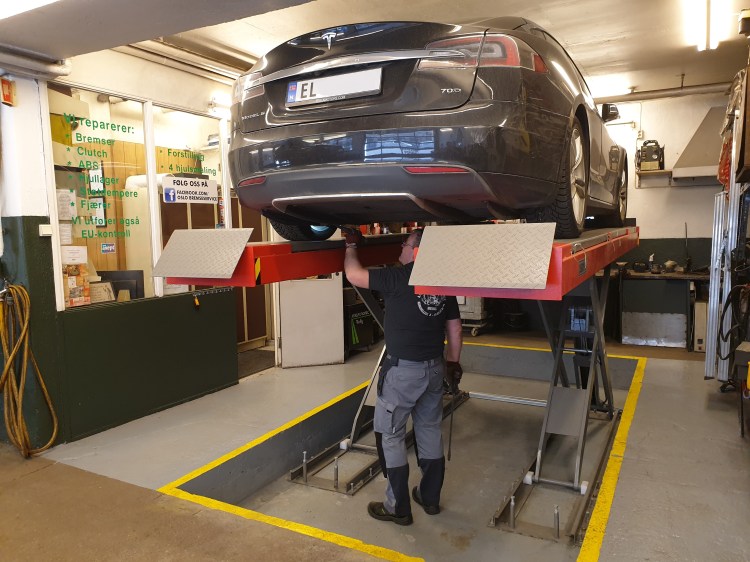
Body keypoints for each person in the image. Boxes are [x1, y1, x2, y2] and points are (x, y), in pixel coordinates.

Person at [343, 227, 463, 526]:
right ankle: (429, 498)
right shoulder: (442, 282)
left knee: (392, 435)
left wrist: (350, 246)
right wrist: (452, 363)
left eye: (405, 244)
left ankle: (397, 507)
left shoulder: (397, 277)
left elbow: (354, 275)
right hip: (434, 369)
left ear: (417, 249)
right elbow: (455, 327)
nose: (401, 248)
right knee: (429, 429)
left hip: (403, 375)